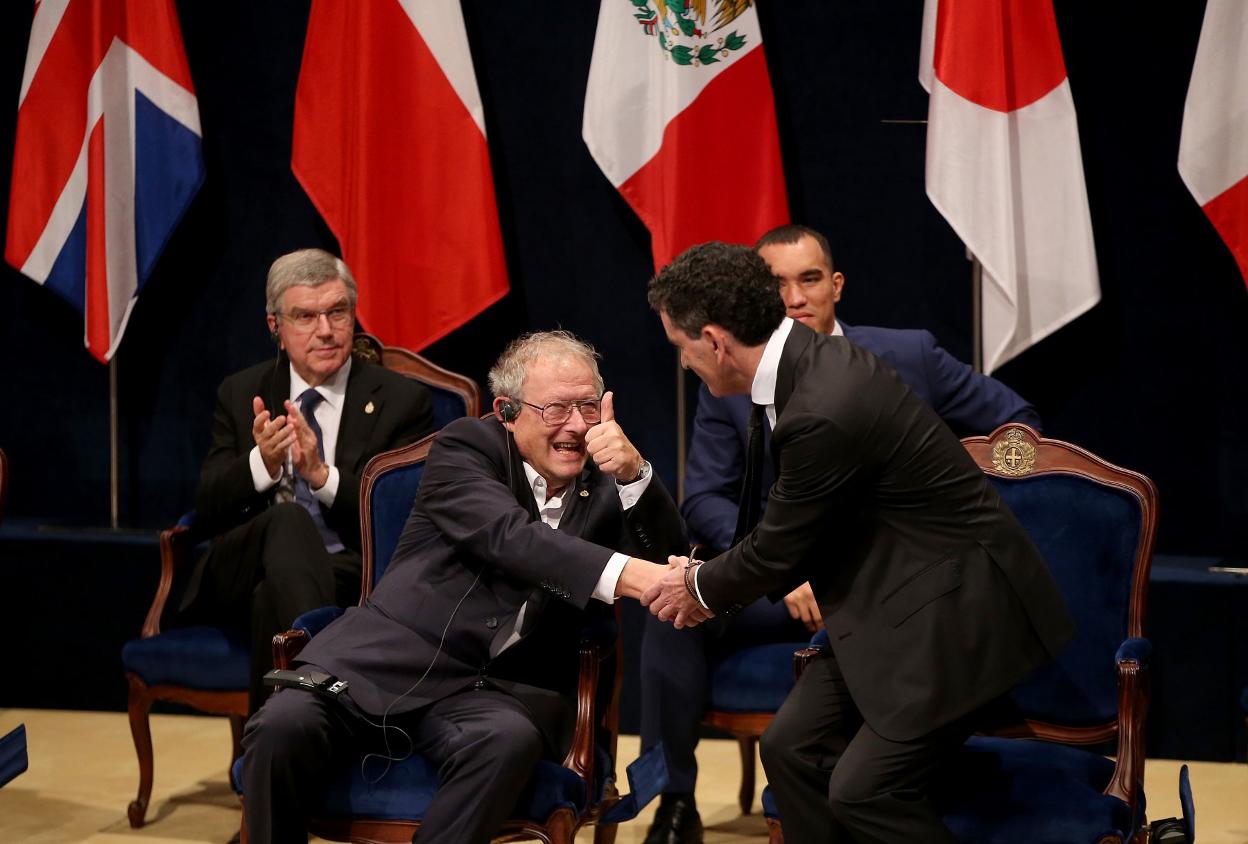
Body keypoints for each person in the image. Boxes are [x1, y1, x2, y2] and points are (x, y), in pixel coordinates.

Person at [643, 242, 1074, 843]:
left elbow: (777, 549)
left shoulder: (822, 405)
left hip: (957, 614)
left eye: (682, 349)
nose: (684, 364)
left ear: (714, 340)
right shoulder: (798, 367)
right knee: (790, 747)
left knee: (865, 791)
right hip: (885, 602)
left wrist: (694, 586)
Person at [241, 331, 685, 844]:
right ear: (507, 410)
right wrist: (631, 575)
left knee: (507, 741)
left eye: (589, 407)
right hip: (389, 661)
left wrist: (635, 474)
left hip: (493, 690)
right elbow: (510, 539)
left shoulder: (609, 482)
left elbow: (673, 564)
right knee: (280, 727)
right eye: (557, 409)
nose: (578, 426)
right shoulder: (466, 446)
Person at [179, 248, 435, 712]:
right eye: (304, 316)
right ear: (275, 327)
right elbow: (208, 504)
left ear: (353, 315)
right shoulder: (242, 392)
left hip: (349, 570)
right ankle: (326, 684)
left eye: (337, 312)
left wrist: (323, 477)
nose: (325, 330)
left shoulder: (401, 401)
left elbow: (406, 520)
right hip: (241, 564)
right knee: (288, 522)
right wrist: (264, 464)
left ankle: (268, 761)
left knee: (271, 600)